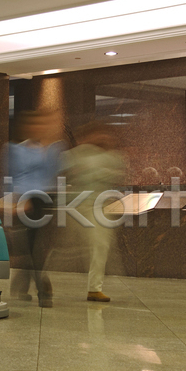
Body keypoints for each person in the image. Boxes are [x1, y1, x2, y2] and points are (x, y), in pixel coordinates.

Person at [0, 109, 66, 308]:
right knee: (33, 247)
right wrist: (16, 200)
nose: (40, 128)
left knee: (34, 246)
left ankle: (22, 284)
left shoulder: (54, 148)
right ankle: (43, 289)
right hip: (25, 199)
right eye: (35, 124)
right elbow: (11, 176)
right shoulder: (15, 149)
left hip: (46, 200)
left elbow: (55, 174)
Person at [61, 121, 125, 302]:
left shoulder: (111, 156)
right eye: (98, 134)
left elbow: (117, 175)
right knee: (70, 248)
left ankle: (94, 289)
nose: (102, 138)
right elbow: (65, 172)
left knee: (100, 246)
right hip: (81, 208)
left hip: (99, 209)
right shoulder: (77, 155)